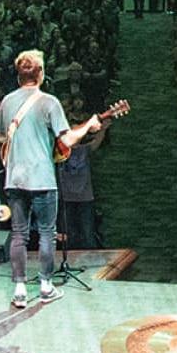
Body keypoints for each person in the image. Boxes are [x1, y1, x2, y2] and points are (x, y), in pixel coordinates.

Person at [0, 49, 105, 307]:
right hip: (42, 178)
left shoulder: (7, 102)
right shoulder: (49, 102)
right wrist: (88, 126)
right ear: (40, 74)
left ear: (19, 75)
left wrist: (18, 141)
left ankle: (19, 289)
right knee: (46, 233)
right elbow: (66, 139)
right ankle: (45, 285)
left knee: (19, 234)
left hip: (15, 178)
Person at [57, 94, 106, 249]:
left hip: (85, 197)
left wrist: (103, 129)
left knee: (87, 233)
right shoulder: (61, 151)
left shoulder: (85, 149)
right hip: (67, 197)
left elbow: (96, 142)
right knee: (68, 235)